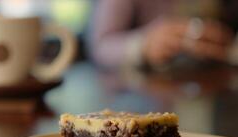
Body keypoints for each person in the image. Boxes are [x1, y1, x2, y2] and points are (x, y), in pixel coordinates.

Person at [89, 0, 238, 73]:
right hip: (145, 97)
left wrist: (228, 43)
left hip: (211, 83)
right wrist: (144, 44)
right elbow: (100, 45)